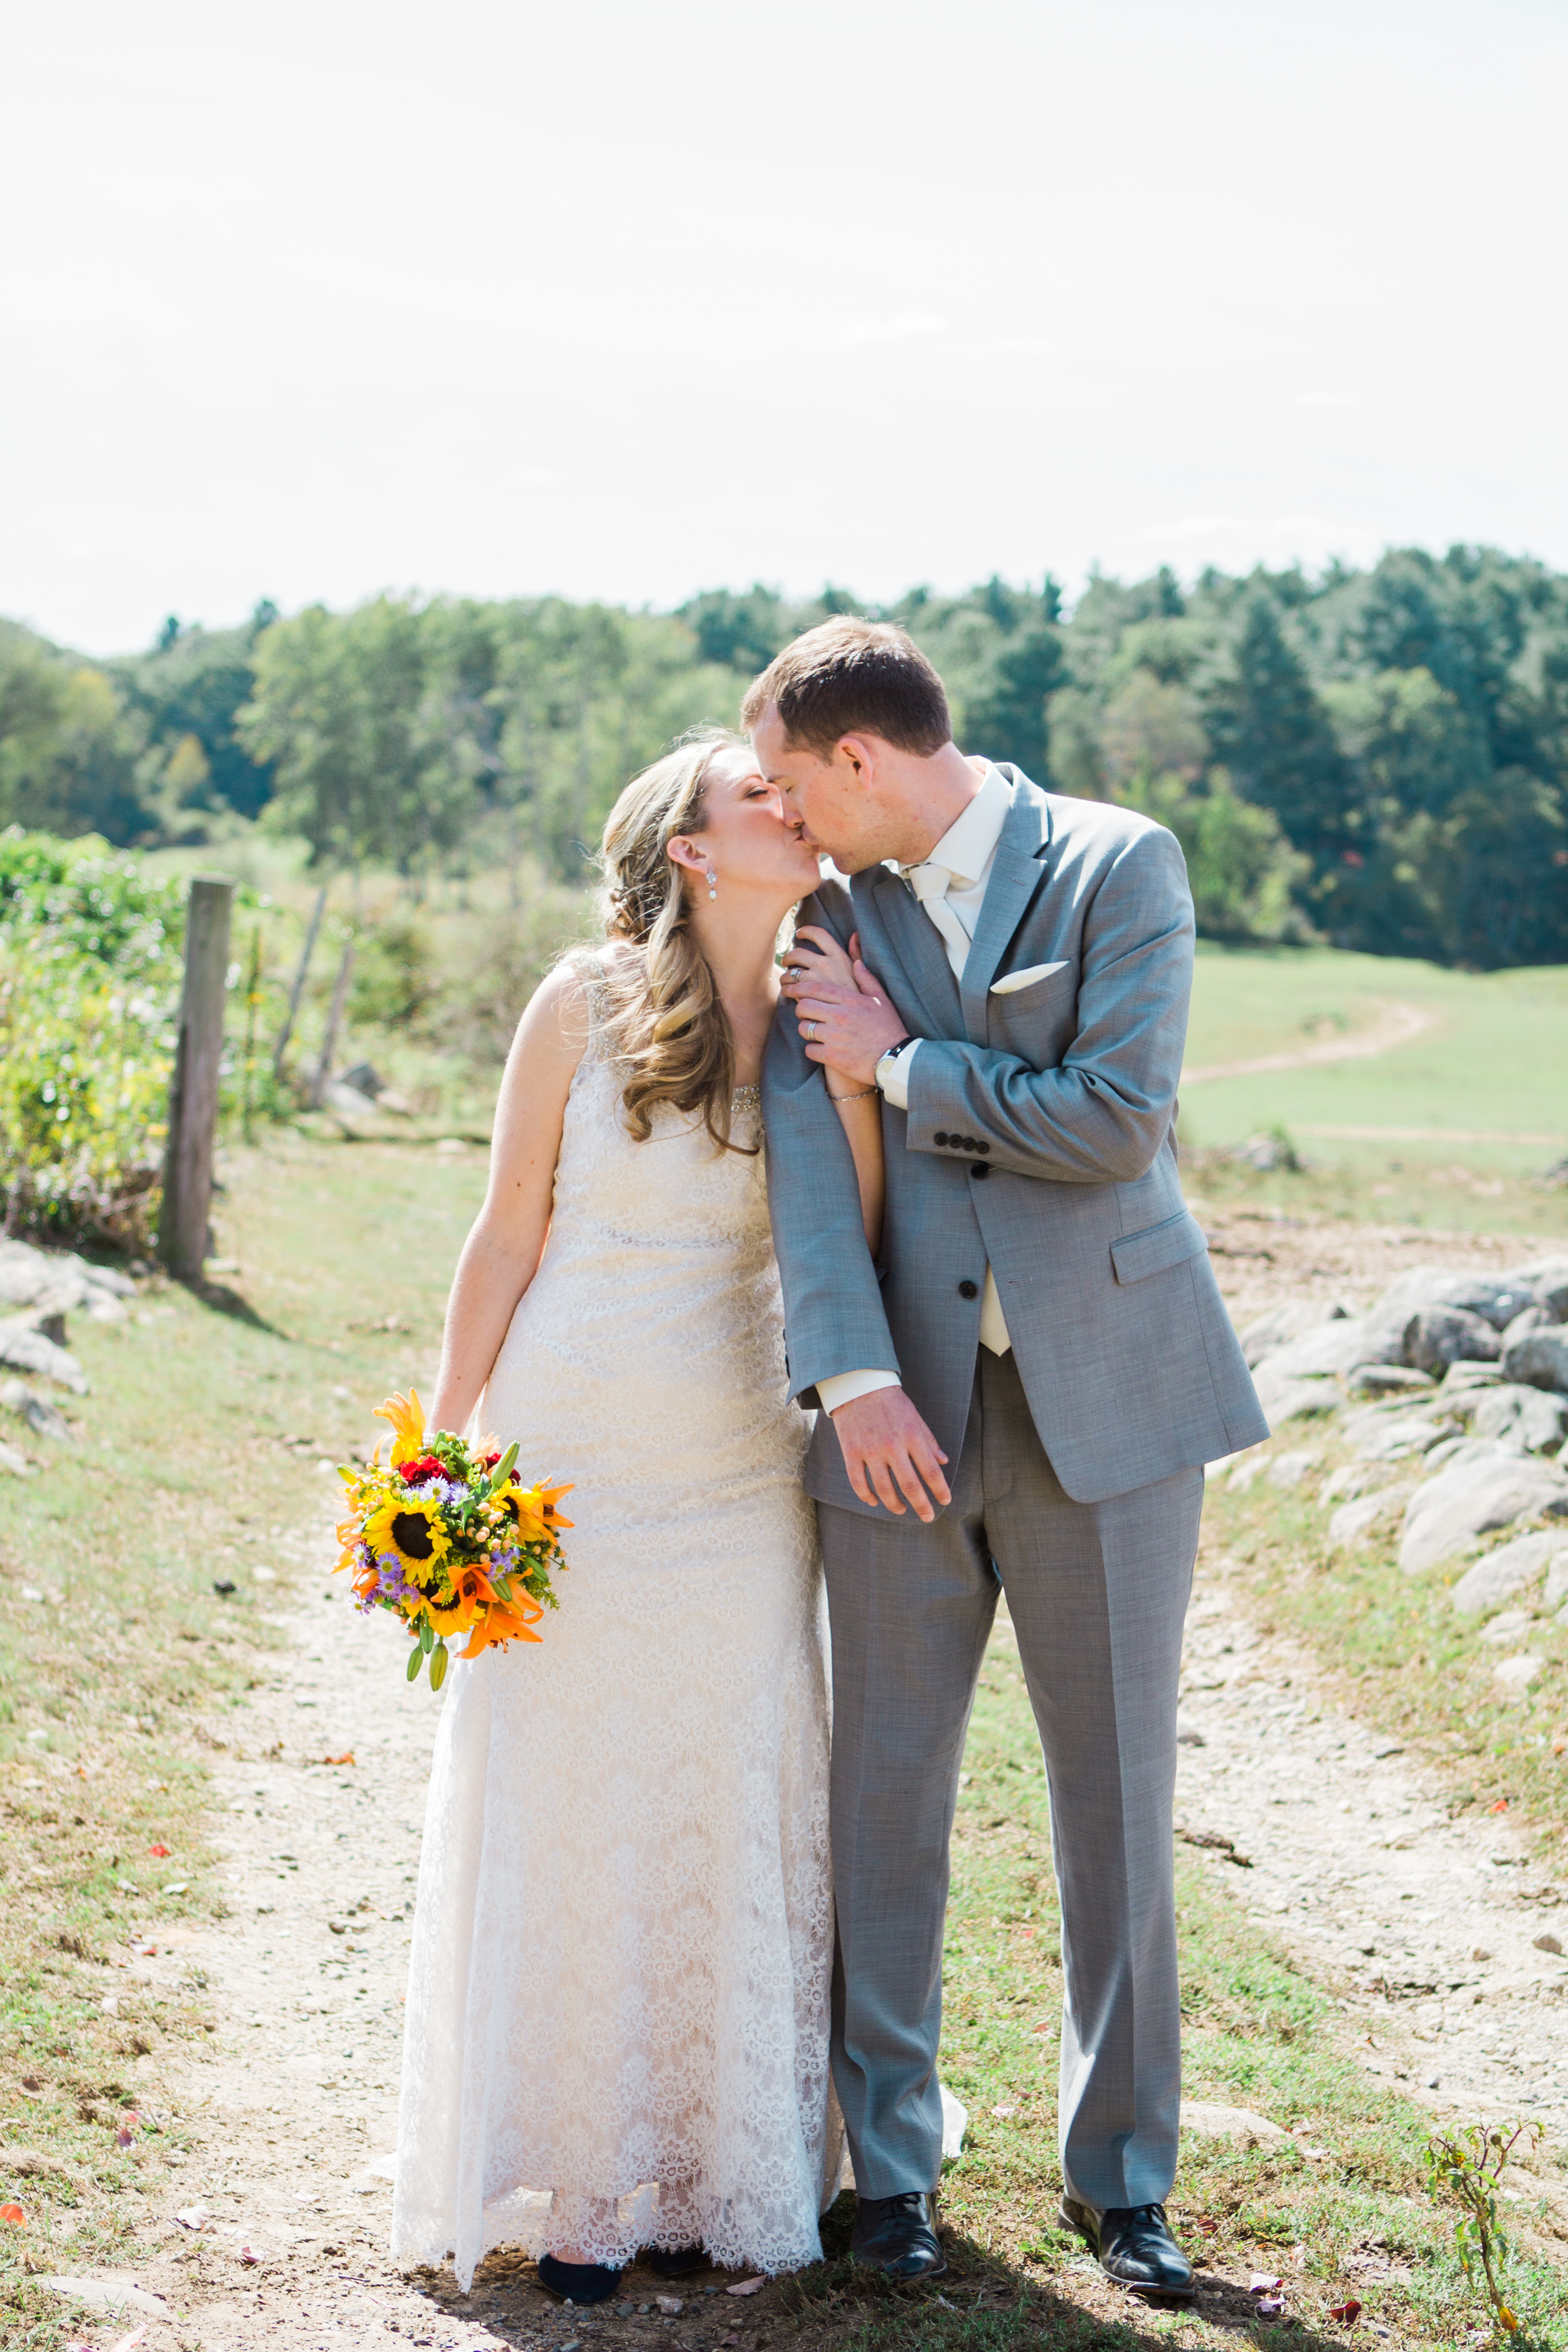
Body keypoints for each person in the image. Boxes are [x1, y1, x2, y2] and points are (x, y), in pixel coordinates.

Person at [750, 621, 1268, 2296]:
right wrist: (849, 1377)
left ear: (860, 763)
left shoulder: (1122, 862)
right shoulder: (819, 911)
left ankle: (1123, 2177)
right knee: (879, 1799)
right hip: (898, 1417)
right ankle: (885, 2166)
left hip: (1110, 1399)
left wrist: (901, 1063)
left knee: (1114, 1794)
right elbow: (807, 1176)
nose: (783, 814)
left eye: (792, 781)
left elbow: (1117, 1114)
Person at [391, 730, 879, 2301]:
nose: (795, 810)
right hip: (573, 1448)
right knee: (576, 1791)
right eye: (763, 797)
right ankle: (585, 2185)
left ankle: (709, 2165)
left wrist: (863, 1065)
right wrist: (440, 1442)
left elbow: (855, 1229)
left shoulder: (826, 1005)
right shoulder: (576, 1002)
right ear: (688, 845)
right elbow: (506, 1226)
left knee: (727, 1774)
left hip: (739, 1462)